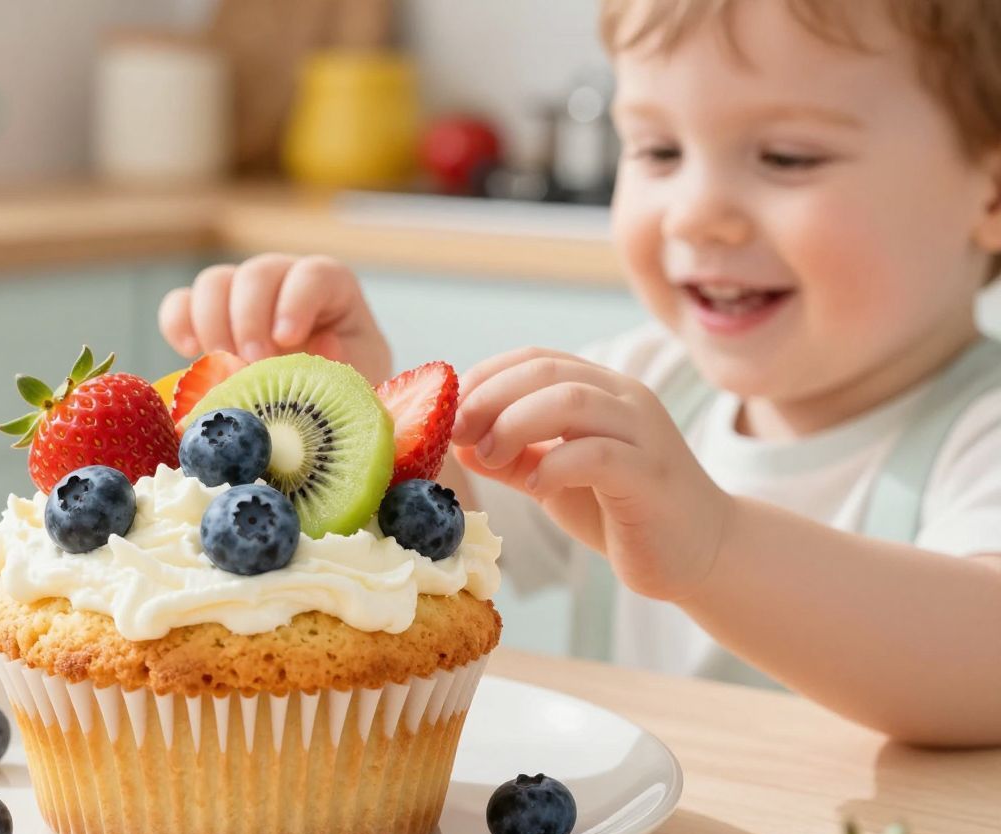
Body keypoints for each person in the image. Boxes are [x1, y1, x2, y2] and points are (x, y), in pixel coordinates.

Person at [157, 0, 1001, 747]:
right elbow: (451, 527)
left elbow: (981, 656)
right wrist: (369, 416)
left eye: (787, 157)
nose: (695, 212)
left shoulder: (982, 428)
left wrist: (712, 547)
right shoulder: (639, 383)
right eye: (659, 149)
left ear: (990, 193)